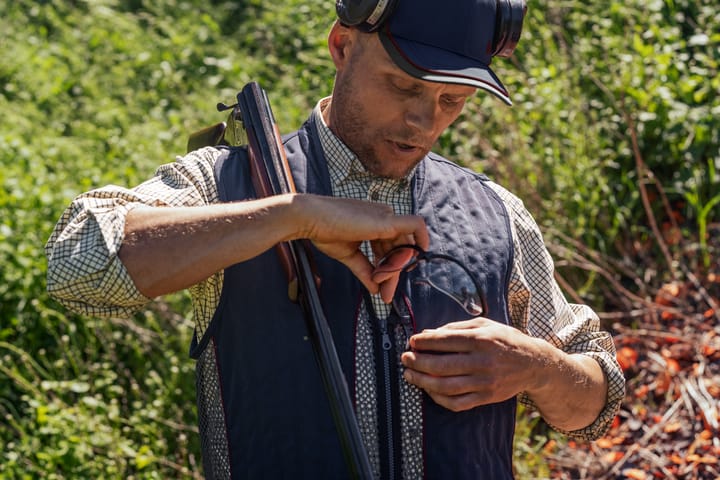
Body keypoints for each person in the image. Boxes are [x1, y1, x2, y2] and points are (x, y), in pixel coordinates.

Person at [45, 0, 625, 478]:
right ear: (342, 47)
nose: (424, 122)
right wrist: (291, 217)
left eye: (453, 101)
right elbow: (77, 264)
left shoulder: (499, 211)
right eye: (402, 86)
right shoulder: (227, 183)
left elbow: (594, 404)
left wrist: (542, 370)